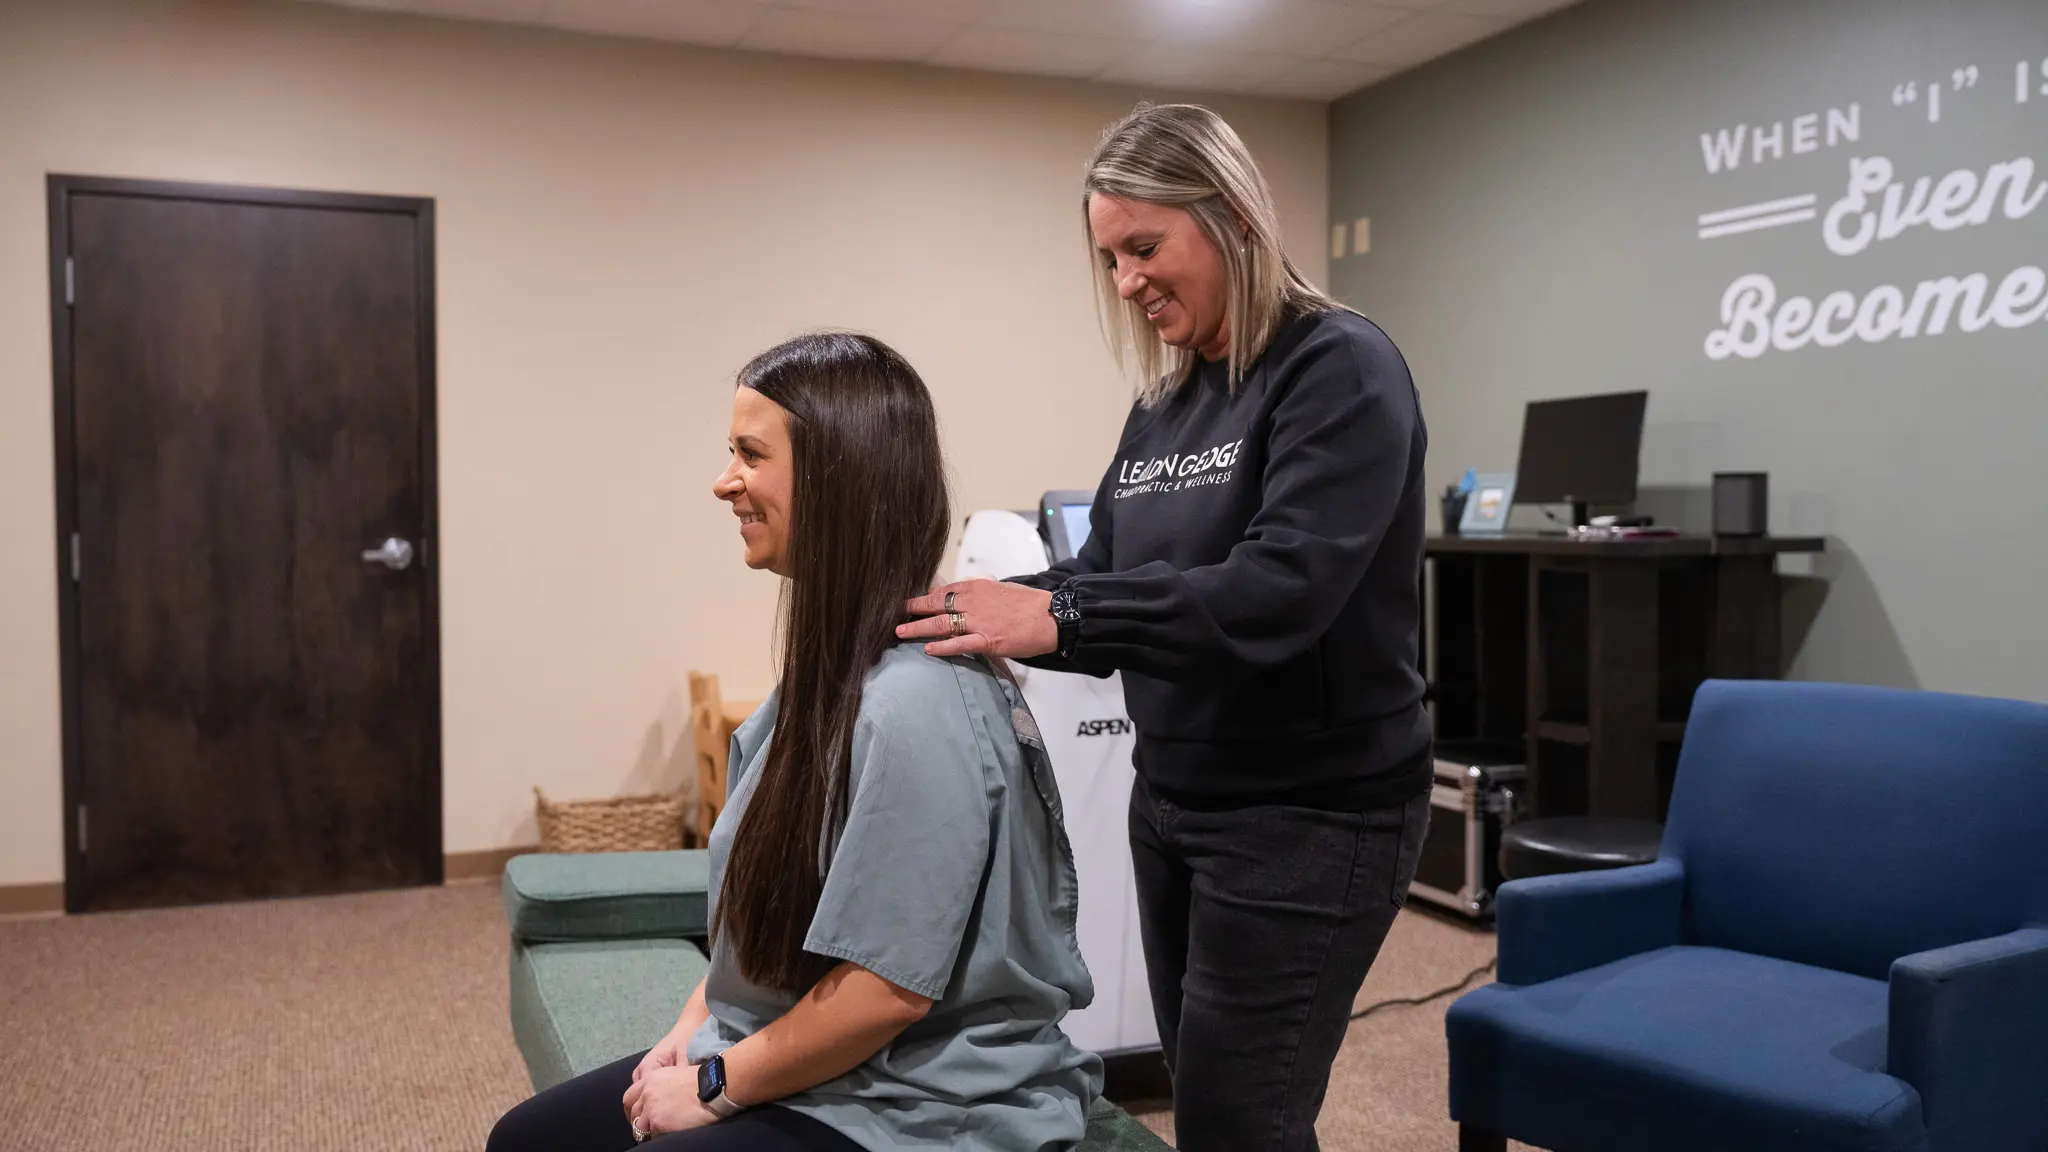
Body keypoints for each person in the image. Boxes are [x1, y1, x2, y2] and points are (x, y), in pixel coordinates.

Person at [899, 102, 1433, 1152]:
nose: (1126, 282)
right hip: (1177, 797)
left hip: (1310, 814)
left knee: (1242, 1118)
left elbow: (1281, 589)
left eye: (1144, 247)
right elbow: (1102, 576)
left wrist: (1063, 612)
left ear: (1230, 215)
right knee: (1213, 1100)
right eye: (1108, 259)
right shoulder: (1164, 408)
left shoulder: (1336, 366)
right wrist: (968, 611)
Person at [488, 332, 1101, 1152]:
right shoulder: (831, 671)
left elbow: (887, 995)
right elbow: (766, 911)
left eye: (749, 454)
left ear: (837, 476)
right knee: (526, 1141)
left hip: (919, 1101)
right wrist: (695, 1023)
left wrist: (714, 1084)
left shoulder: (917, 703)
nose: (723, 482)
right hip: (817, 1063)